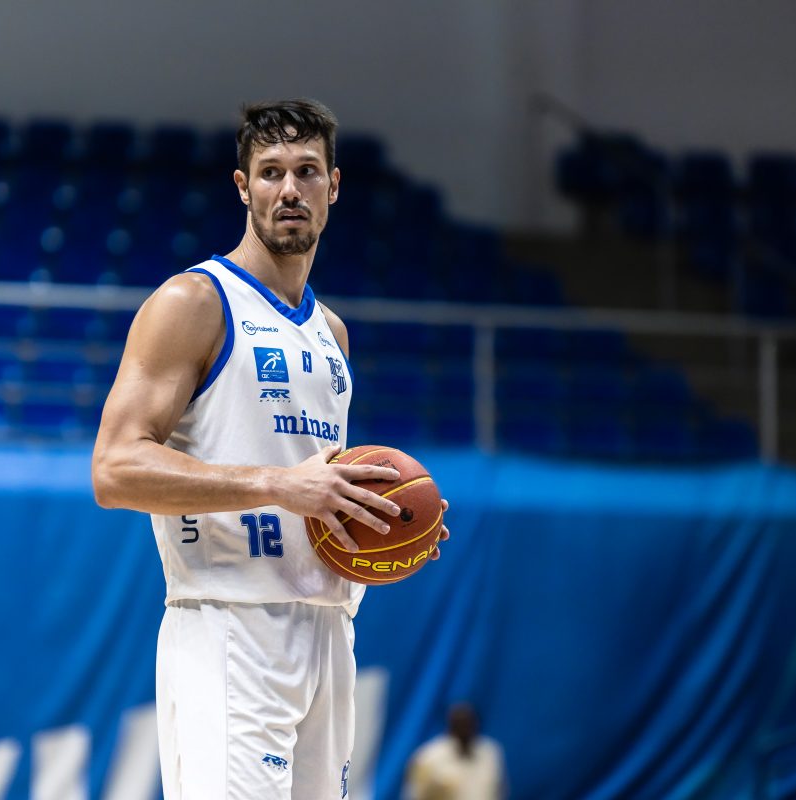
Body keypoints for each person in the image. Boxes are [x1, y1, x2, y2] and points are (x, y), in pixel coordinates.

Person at [92, 98, 449, 799]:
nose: (289, 189)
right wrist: (276, 485)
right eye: (271, 172)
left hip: (329, 630)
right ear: (243, 186)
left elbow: (321, 495)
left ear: (333, 186)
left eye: (307, 171)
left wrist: (391, 525)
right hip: (228, 628)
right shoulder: (194, 302)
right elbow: (114, 468)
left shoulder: (331, 333)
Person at [403, 703, 507, 800]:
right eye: (460, 725)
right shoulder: (428, 757)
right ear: (450, 725)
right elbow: (414, 794)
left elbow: (499, 790)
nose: (466, 730)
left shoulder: (489, 752)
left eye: (469, 725)